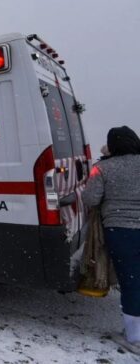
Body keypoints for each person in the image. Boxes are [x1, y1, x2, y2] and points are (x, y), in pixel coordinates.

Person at [82, 125, 140, 354]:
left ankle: (135, 339)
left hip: (121, 231)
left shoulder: (103, 168)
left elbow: (90, 199)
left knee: (131, 282)